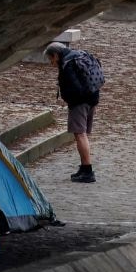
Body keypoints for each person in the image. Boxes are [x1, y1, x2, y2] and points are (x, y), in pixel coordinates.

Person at [45, 42, 100, 183]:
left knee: (80, 134)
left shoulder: (67, 64)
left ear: (56, 55)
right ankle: (83, 167)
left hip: (80, 103)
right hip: (92, 97)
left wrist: (69, 99)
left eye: (51, 59)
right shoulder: (79, 55)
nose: (51, 63)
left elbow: (74, 88)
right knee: (83, 134)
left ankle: (87, 170)